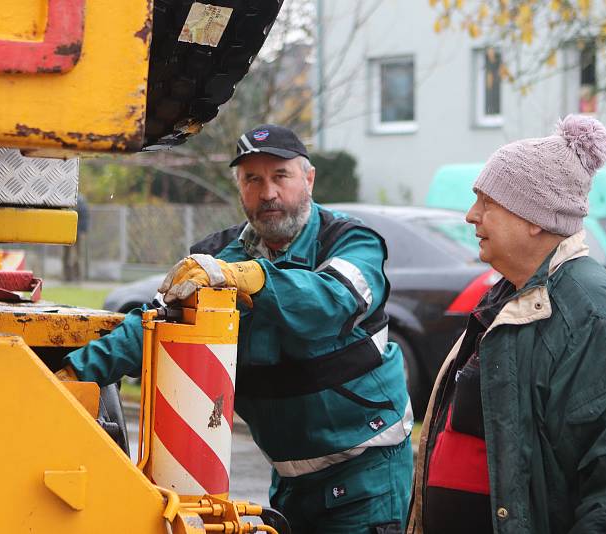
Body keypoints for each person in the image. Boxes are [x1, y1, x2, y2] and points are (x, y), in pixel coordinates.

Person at [59, 124, 414, 533]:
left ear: (309, 179)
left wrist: (255, 279)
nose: (268, 193)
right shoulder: (214, 257)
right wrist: (72, 377)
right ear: (240, 188)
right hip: (291, 478)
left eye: (281, 176)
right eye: (253, 179)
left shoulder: (351, 241)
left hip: (367, 471)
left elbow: (331, 302)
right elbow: (153, 326)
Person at [406, 115, 606, 534]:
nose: (471, 216)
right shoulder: (508, 298)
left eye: (487, 202)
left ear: (534, 218)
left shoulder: (599, 321)